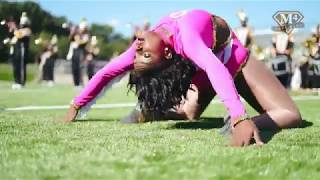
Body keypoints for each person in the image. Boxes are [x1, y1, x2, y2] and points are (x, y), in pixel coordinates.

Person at [63, 9, 301, 146]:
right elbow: (215, 67)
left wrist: (76, 104)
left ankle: (149, 112)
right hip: (231, 61)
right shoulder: (185, 39)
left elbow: (107, 72)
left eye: (140, 53)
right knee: (291, 114)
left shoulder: (144, 46)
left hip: (208, 68)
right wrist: (239, 117)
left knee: (189, 113)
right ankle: (242, 126)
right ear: (166, 53)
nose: (136, 48)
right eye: (144, 54)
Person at [11, 12, 31, 89]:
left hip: (23, 50)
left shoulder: (27, 30)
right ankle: (17, 81)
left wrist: (15, 28)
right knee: (16, 66)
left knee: (22, 66)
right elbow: (14, 39)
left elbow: (19, 35)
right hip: (17, 50)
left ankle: (21, 82)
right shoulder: (19, 30)